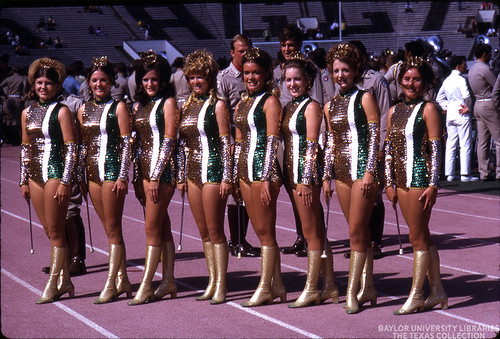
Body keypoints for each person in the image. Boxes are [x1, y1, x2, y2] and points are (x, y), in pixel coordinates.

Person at [385, 56, 447, 315]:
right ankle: (438, 291)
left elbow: (436, 149)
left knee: (416, 237)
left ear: (425, 82)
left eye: (416, 79)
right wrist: (388, 182)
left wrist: (433, 185)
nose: (411, 83)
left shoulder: (429, 109)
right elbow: (388, 149)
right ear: (399, 82)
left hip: (420, 179)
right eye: (406, 79)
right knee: (423, 235)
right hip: (400, 181)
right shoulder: (393, 110)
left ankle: (416, 294)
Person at [323, 43, 380, 314]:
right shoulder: (329, 105)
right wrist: (326, 176)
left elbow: (375, 137)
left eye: (345, 70)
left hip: (362, 173)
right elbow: (331, 142)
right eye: (336, 70)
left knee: (355, 232)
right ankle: (368, 286)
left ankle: (351, 292)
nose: (340, 75)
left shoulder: (365, 97)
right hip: (342, 175)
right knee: (360, 232)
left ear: (355, 71)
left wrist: (370, 171)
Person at [281, 52, 338, 308]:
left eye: (297, 80)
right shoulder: (289, 106)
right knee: (316, 231)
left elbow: (313, 146)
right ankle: (330, 286)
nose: (292, 84)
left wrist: (305, 180)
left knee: (311, 232)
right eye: (288, 80)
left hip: (306, 176)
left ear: (308, 81)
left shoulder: (312, 107)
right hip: (293, 176)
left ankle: (312, 287)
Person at [20, 57, 77, 303]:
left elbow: (71, 149)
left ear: (57, 85)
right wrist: (23, 180)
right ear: (33, 84)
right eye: (39, 82)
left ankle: (54, 283)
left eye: (48, 83)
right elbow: (25, 147)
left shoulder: (62, 111)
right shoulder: (26, 112)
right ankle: (65, 281)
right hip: (34, 176)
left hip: (55, 173)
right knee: (49, 230)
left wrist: (66, 182)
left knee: (56, 230)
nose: (43, 87)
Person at [177, 49, 232, 304]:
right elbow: (182, 145)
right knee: (203, 231)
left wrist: (227, 177)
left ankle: (221, 284)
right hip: (192, 172)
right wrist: (180, 175)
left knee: (215, 229)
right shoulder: (186, 105)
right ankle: (212, 281)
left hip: (213, 170)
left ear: (209, 78)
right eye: (192, 77)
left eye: (200, 77)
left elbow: (226, 143)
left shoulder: (218, 105)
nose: (196, 81)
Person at [77, 56, 133, 304]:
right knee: (109, 229)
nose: (98, 84)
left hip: (111, 173)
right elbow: (81, 146)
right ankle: (123, 280)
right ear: (89, 82)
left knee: (113, 229)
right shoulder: (83, 109)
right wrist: (80, 174)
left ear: (112, 82)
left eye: (103, 80)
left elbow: (127, 144)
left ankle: (112, 283)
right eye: (94, 80)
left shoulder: (118, 107)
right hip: (92, 175)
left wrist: (122, 175)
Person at [234, 47, 286, 307]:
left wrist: (266, 177)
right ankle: (277, 284)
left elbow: (272, 141)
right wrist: (235, 174)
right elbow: (239, 140)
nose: (250, 77)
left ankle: (266, 287)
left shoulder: (271, 101)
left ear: (266, 74)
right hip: (245, 172)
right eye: (246, 73)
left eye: (256, 72)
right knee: (259, 230)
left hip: (263, 173)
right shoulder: (243, 102)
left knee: (266, 233)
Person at [128, 51, 179, 305]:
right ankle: (168, 280)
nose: (149, 84)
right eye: (145, 80)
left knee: (151, 229)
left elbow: (169, 141)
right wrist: (137, 175)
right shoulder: (141, 105)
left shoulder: (168, 104)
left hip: (163, 172)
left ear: (164, 80)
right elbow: (137, 144)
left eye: (154, 80)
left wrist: (157, 176)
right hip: (144, 172)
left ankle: (147, 285)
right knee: (161, 226)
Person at [273, 24, 323, 257]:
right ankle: (301, 235)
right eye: (283, 45)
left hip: (306, 147)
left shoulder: (311, 75)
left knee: (312, 215)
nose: (286, 49)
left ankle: (318, 278)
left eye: (290, 45)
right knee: (297, 203)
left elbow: (319, 104)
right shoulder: (276, 72)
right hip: (287, 143)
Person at [217, 34, 260, 258]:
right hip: (235, 140)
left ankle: (242, 239)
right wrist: (231, 144)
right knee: (236, 192)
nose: (245, 54)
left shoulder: (255, 74)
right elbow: (222, 114)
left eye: (248, 49)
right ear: (232, 53)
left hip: (255, 139)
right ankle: (236, 241)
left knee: (250, 189)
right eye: (241, 51)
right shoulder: (225, 78)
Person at [350, 40, 392, 259]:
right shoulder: (345, 80)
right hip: (351, 148)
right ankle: (360, 240)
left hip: (372, 145)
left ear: (364, 58)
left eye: (355, 56)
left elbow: (384, 113)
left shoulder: (375, 80)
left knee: (373, 195)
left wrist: (381, 147)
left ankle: (375, 241)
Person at [436, 55, 477, 182]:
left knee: (451, 144)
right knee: (465, 143)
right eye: (464, 64)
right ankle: (465, 174)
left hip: (451, 114)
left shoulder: (447, 80)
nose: (466, 66)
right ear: (458, 65)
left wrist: (447, 107)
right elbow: (466, 96)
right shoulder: (461, 80)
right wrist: (468, 108)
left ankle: (450, 174)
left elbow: (439, 98)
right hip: (461, 113)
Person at [468, 43, 500, 181]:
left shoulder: (472, 69)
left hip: (477, 104)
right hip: (489, 104)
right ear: (484, 54)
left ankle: (484, 172)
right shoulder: (485, 69)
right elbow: (496, 85)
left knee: (482, 142)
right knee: (499, 140)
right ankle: (499, 172)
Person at [0, 66, 27, 145]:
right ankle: (15, 139)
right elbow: (25, 88)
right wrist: (24, 96)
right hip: (17, 98)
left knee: (8, 119)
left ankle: (8, 138)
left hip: (9, 99)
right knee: (16, 119)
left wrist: (5, 95)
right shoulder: (22, 79)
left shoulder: (9, 79)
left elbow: (1, 86)